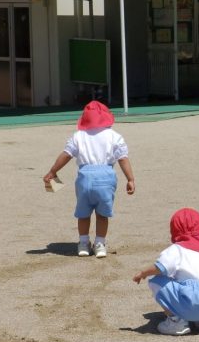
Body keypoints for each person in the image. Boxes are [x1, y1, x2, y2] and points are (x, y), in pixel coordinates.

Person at [43, 101, 135, 258]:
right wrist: (130, 179)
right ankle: (100, 244)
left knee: (83, 213)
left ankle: (83, 243)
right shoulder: (115, 136)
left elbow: (66, 155)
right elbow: (123, 158)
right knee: (102, 214)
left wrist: (53, 171)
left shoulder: (78, 136)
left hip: (85, 177)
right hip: (106, 176)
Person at [133, 208, 199, 336]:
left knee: (155, 280)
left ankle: (176, 321)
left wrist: (143, 273)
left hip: (195, 301)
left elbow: (160, 267)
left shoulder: (177, 249)